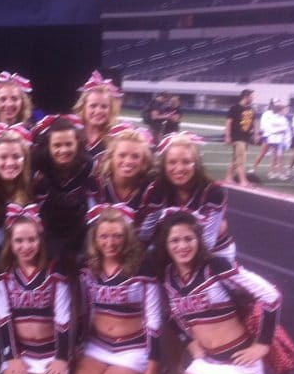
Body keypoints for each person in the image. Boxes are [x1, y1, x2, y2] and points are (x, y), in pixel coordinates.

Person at [157, 210, 280, 374]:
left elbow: (271, 296)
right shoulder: (168, 276)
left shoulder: (216, 266)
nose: (182, 246)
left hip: (236, 362)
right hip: (207, 360)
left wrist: (263, 344)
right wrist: (188, 342)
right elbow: (170, 313)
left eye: (188, 239)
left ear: (198, 240)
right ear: (165, 244)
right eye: (175, 240)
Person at [71, 206, 162, 374]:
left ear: (127, 237)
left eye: (117, 236)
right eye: (104, 236)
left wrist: (153, 363)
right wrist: (78, 344)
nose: (110, 243)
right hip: (98, 345)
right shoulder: (88, 269)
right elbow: (85, 309)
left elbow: (154, 319)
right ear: (95, 239)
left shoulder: (142, 269)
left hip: (131, 349)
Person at [0, 204, 71, 374]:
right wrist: (12, 357)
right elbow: (3, 320)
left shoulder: (55, 274)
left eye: (32, 240)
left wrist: (61, 358)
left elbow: (63, 319)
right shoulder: (4, 276)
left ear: (40, 240)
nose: (26, 246)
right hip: (22, 354)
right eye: (19, 241)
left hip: (51, 354)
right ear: (10, 243)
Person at [140, 132, 233, 262]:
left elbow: (208, 242)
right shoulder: (156, 189)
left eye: (186, 162)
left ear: (196, 164)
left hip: (214, 253)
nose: (179, 168)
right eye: (172, 162)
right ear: (164, 165)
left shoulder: (214, 192)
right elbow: (146, 234)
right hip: (172, 250)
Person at [31, 115, 96, 274]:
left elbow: (93, 206)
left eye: (68, 144)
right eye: (57, 145)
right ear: (48, 146)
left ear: (77, 143)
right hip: (45, 230)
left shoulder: (88, 165)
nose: (63, 150)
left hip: (77, 230)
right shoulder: (38, 164)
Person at [95, 127, 154, 213]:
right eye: (122, 155)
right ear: (111, 157)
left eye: (135, 156)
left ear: (144, 161)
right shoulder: (98, 186)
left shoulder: (150, 190)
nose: (128, 161)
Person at [72, 71, 123, 159]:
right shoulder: (71, 133)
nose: (98, 111)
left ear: (110, 110)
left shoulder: (115, 139)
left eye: (104, 106)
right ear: (83, 107)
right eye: (93, 106)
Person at [252, 99, 291, 180]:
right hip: (269, 137)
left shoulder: (283, 118)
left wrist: (286, 139)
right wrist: (276, 131)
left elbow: (286, 129)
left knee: (278, 156)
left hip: (279, 139)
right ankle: (255, 168)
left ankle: (277, 172)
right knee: (264, 153)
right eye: (276, 104)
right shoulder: (267, 114)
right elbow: (266, 127)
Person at [224, 89, 256, 187]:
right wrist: (227, 136)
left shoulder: (251, 109)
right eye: (251, 96)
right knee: (240, 160)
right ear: (246, 97)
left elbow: (254, 121)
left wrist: (256, 134)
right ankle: (243, 181)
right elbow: (228, 122)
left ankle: (228, 178)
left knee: (236, 159)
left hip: (246, 137)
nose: (252, 98)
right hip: (237, 137)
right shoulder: (235, 108)